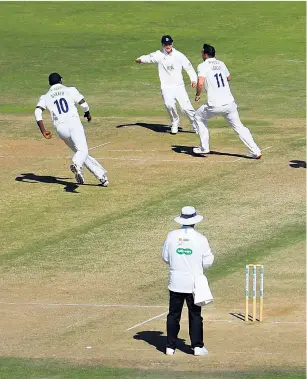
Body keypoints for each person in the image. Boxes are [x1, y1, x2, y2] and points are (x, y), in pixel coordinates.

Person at [34, 73, 109, 186]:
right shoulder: (70, 90)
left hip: (61, 129)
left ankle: (101, 177)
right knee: (82, 152)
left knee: (80, 152)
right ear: (61, 80)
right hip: (74, 124)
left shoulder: (45, 96)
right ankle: (76, 164)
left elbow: (37, 112)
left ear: (50, 83)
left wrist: (43, 130)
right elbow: (83, 104)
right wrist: (87, 114)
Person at [193, 44, 262, 159]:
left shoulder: (203, 65)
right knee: (239, 127)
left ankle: (204, 147)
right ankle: (256, 151)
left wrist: (197, 95)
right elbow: (228, 78)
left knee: (198, 117)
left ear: (205, 54)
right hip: (229, 103)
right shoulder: (221, 63)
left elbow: (200, 83)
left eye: (202, 53)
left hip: (214, 105)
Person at [162, 206, 214, 356]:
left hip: (176, 281)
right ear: (194, 221)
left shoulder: (171, 236)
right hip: (193, 283)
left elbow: (165, 257)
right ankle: (197, 346)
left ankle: (170, 347)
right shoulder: (200, 238)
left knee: (173, 314)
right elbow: (208, 261)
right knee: (195, 314)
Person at [135, 35, 198, 134]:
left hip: (179, 86)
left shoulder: (179, 55)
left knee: (186, 108)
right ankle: (175, 122)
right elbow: (149, 57)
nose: (167, 46)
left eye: (169, 44)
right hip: (166, 87)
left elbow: (188, 67)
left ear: (172, 44)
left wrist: (194, 80)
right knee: (169, 105)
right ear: (162, 45)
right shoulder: (159, 54)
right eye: (165, 44)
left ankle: (196, 125)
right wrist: (140, 59)